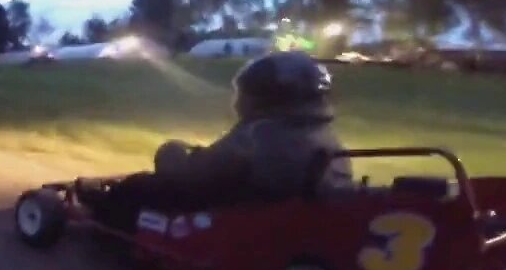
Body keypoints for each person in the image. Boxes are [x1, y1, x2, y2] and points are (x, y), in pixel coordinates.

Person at [86, 51, 353, 231]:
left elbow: (197, 175)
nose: (239, 101)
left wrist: (173, 156)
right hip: (281, 211)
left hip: (231, 212)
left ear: (269, 97)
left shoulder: (260, 134)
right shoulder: (324, 135)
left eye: (245, 94)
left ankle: (104, 212)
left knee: (140, 183)